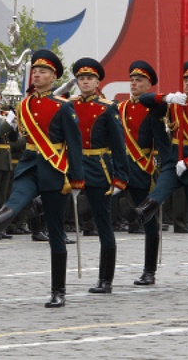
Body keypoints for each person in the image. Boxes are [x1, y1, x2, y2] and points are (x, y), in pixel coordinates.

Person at [0, 49, 84, 308]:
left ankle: (59, 290)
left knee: (55, 228)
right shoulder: (24, 105)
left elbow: (75, 145)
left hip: (54, 167)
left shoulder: (63, 108)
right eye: (34, 71)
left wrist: (77, 180)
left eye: (43, 71)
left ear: (53, 76)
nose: (36, 74)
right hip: (29, 163)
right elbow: (22, 138)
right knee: (17, 198)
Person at [120, 61, 188, 287]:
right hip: (173, 165)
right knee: (158, 193)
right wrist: (167, 98)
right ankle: (140, 213)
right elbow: (144, 100)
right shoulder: (173, 105)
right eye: (186, 80)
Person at [115, 61, 177, 286]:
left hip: (142, 167)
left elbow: (162, 140)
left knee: (148, 221)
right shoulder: (119, 108)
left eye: (139, 80)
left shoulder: (154, 108)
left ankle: (149, 271)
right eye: (132, 79)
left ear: (149, 84)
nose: (134, 83)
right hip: (121, 167)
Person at [69, 57, 127, 294]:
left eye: (89, 78)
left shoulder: (107, 108)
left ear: (97, 82)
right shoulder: (69, 106)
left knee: (103, 223)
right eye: (81, 78)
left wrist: (120, 177)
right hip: (73, 165)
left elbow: (119, 144)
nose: (85, 82)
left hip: (98, 166)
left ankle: (106, 279)